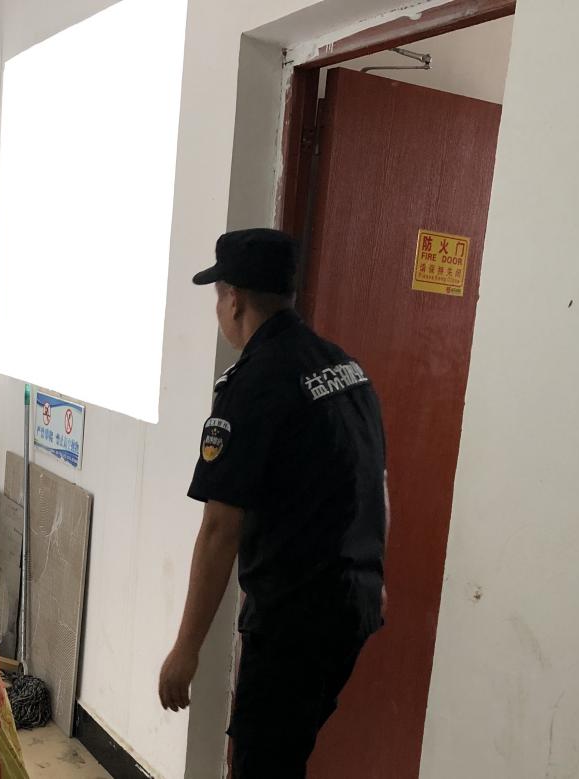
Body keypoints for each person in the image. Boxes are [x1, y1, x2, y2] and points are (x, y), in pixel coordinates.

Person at [158, 228, 389, 776]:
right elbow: (373, 478)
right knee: (286, 752)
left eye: (219, 296)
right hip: (352, 608)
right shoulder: (345, 367)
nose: (219, 309)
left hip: (294, 623)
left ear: (234, 299)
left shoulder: (254, 385)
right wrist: (373, 573)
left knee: (263, 762)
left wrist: (185, 650)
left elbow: (220, 529)